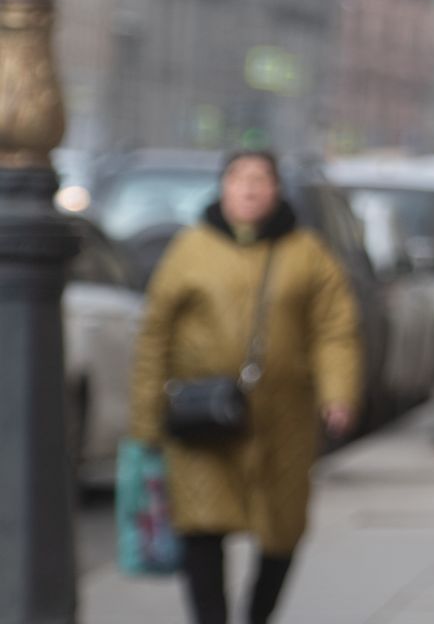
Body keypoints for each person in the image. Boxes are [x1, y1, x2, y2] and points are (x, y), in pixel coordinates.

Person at [129, 150, 362, 624]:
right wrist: (145, 417)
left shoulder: (307, 253)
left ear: (277, 190)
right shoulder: (190, 251)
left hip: (282, 419)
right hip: (200, 417)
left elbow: (334, 329)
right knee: (201, 526)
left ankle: (258, 616)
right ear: (223, 188)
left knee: (281, 530)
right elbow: (155, 334)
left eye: (261, 180)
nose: (250, 189)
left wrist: (339, 393)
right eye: (240, 179)